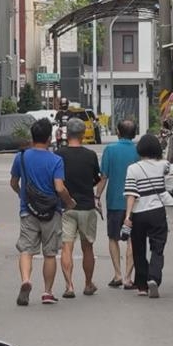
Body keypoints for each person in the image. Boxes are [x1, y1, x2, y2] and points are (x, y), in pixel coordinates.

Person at [10, 118, 76, 306]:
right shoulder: (56, 160)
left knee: (26, 250)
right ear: (49, 138)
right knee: (49, 253)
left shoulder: (21, 157)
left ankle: (25, 280)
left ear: (32, 137)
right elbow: (59, 188)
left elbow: (13, 183)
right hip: (51, 212)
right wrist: (69, 202)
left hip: (28, 211)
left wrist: (22, 195)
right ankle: (47, 292)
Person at [55, 118, 101, 298]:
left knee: (67, 247)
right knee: (87, 247)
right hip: (87, 206)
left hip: (66, 206)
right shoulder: (90, 155)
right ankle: (88, 284)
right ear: (82, 134)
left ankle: (69, 286)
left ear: (67, 133)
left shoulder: (58, 154)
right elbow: (96, 178)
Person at [123, 133, 171, 298]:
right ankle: (154, 277)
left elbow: (131, 194)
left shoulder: (133, 168)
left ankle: (142, 286)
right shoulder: (163, 165)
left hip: (138, 213)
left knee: (138, 249)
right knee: (158, 247)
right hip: (157, 212)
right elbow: (168, 166)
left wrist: (127, 216)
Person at [95, 120, 139, 289]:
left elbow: (104, 176)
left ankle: (118, 274)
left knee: (113, 238)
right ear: (134, 134)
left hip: (114, 201)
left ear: (118, 132)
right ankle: (128, 277)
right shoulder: (138, 151)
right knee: (132, 240)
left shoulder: (110, 150)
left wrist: (97, 196)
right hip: (135, 203)